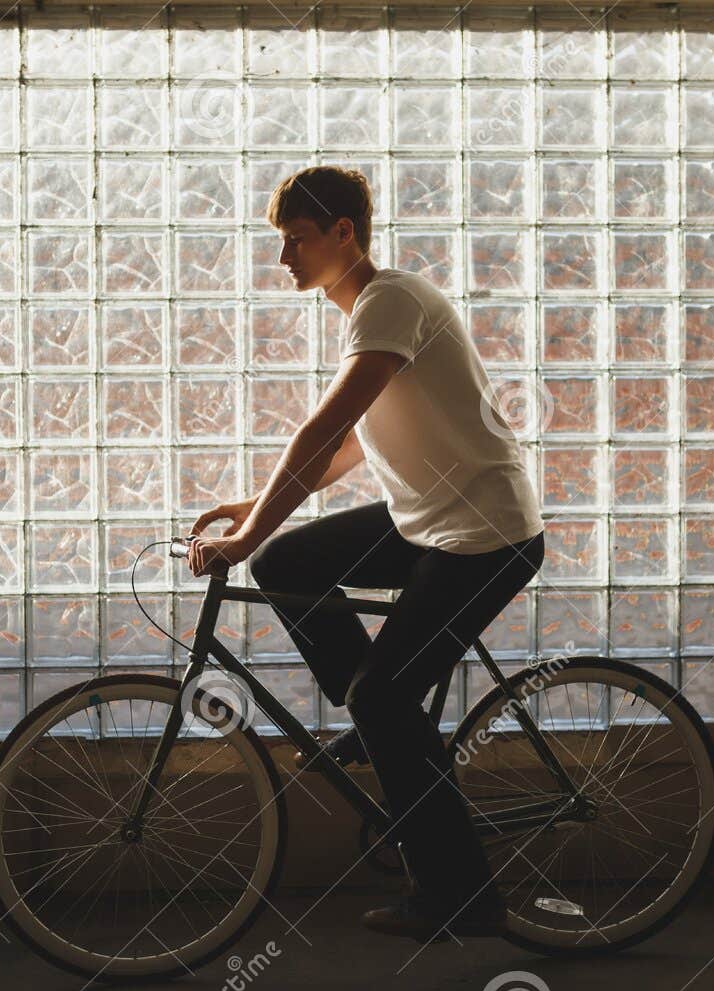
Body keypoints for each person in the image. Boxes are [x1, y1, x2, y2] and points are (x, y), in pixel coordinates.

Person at [186, 165, 546, 944]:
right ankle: (378, 717)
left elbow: (319, 429)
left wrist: (245, 536)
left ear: (343, 233)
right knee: (287, 567)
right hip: (429, 519)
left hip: (484, 534)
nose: (284, 258)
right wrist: (261, 511)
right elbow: (350, 444)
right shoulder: (369, 313)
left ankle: (462, 895)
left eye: (296, 240)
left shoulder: (389, 300)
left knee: (382, 699)